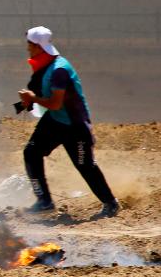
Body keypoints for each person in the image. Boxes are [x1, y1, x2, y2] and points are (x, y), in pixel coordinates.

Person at [18, 26, 119, 218]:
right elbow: (44, 98)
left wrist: (33, 98)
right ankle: (44, 201)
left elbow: (55, 103)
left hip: (75, 126)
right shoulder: (46, 67)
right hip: (56, 121)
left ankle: (110, 203)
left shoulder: (59, 70)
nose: (28, 48)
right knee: (31, 152)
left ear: (39, 46)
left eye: (30, 44)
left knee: (85, 165)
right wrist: (25, 102)